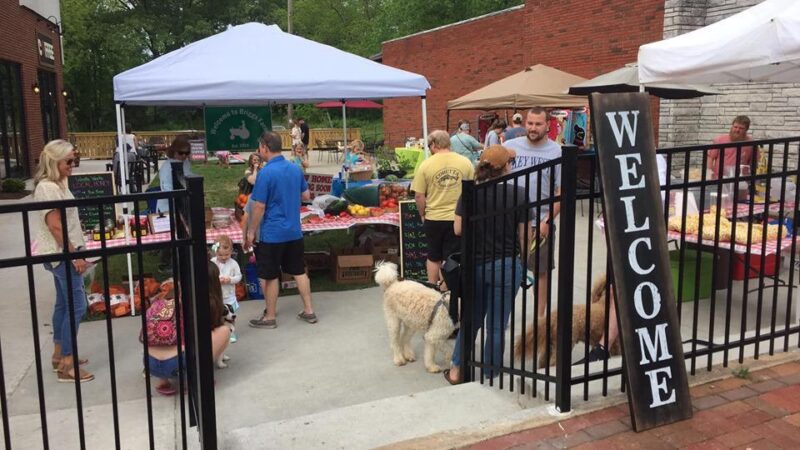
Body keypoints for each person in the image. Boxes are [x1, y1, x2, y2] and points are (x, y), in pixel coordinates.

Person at [444, 145, 531, 384]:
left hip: (475, 264)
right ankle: (491, 372)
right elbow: (525, 235)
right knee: (496, 323)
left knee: (471, 320)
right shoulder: (519, 193)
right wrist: (524, 263)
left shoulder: (470, 193)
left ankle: (456, 369)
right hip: (505, 263)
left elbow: (458, 229)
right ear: (505, 167)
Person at [33, 139, 94, 383]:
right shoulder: (47, 188)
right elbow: (55, 226)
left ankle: (59, 354)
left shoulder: (59, 183)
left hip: (61, 252)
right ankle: (67, 364)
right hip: (62, 254)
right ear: (54, 161)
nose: (73, 165)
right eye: (69, 161)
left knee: (63, 304)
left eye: (74, 160)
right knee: (77, 305)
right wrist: (74, 255)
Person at [245, 131, 317, 329]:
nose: (259, 151)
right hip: (294, 230)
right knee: (299, 271)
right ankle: (309, 310)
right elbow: (306, 194)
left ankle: (269, 317)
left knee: (269, 275)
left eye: (260, 147)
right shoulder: (294, 168)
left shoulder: (266, 173)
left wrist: (251, 231)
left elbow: (258, 206)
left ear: (265, 148)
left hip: (272, 233)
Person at [504, 107, 562, 318]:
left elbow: (560, 191)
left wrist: (548, 220)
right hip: (509, 220)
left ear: (548, 125)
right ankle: (503, 314)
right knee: (506, 270)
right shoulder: (510, 147)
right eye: (530, 123)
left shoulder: (556, 151)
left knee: (541, 271)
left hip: (540, 221)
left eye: (538, 124)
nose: (533, 128)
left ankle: (539, 319)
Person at [146, 264, 231, 395]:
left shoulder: (164, 301)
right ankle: (195, 379)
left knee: (163, 334)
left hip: (150, 363)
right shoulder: (204, 302)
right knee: (224, 331)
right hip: (178, 363)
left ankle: (163, 381)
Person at [411, 130, 474, 290]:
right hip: (458, 219)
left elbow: (419, 196)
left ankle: (432, 289)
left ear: (433, 145)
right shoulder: (465, 162)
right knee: (451, 257)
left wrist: (422, 214)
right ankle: (448, 289)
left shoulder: (426, 164)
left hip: (434, 217)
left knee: (433, 256)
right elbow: (473, 190)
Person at [211, 235, 242, 343]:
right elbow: (209, 276)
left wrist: (230, 279)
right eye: (220, 255)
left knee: (231, 315)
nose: (223, 257)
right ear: (215, 252)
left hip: (229, 295)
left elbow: (239, 276)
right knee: (218, 314)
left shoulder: (233, 264)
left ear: (231, 251)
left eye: (226, 255)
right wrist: (216, 280)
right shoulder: (213, 262)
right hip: (217, 295)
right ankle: (219, 331)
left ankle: (231, 331)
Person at [707, 115, 755, 179]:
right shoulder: (720, 140)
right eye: (735, 127)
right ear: (732, 126)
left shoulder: (751, 142)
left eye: (741, 128)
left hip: (741, 179)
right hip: (720, 178)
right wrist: (711, 175)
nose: (737, 130)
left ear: (746, 129)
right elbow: (710, 158)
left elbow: (754, 161)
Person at [156, 135, 194, 214]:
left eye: (187, 153)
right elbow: (166, 189)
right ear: (174, 151)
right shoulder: (167, 167)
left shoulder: (186, 163)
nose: (184, 155)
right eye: (181, 153)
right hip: (167, 208)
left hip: (182, 205)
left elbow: (188, 176)